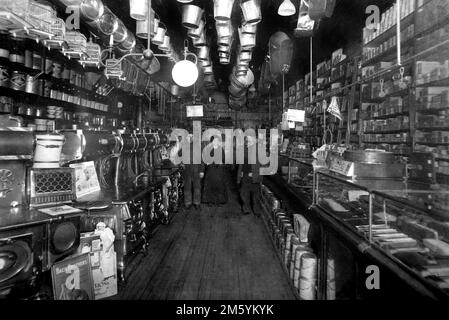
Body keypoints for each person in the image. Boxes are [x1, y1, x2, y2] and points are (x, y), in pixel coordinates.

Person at [237, 135, 262, 216]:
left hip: (254, 177)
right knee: (244, 193)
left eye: (248, 141)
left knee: (256, 195)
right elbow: (241, 163)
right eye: (246, 140)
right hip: (245, 175)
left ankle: (256, 211)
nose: (246, 142)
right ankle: (246, 209)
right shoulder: (244, 150)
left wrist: (255, 174)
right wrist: (240, 174)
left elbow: (263, 165)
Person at [180, 134, 204, 210]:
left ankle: (197, 202)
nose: (189, 139)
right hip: (187, 170)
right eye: (188, 137)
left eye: (191, 137)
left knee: (197, 187)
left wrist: (202, 171)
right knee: (187, 187)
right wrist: (181, 163)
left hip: (196, 169)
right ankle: (188, 202)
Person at [202, 136, 228, 206]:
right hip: (211, 168)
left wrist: (222, 162)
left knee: (219, 184)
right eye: (214, 140)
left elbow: (224, 159)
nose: (215, 142)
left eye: (217, 140)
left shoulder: (221, 149)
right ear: (212, 141)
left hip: (219, 169)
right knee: (210, 184)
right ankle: (210, 201)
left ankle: (219, 201)